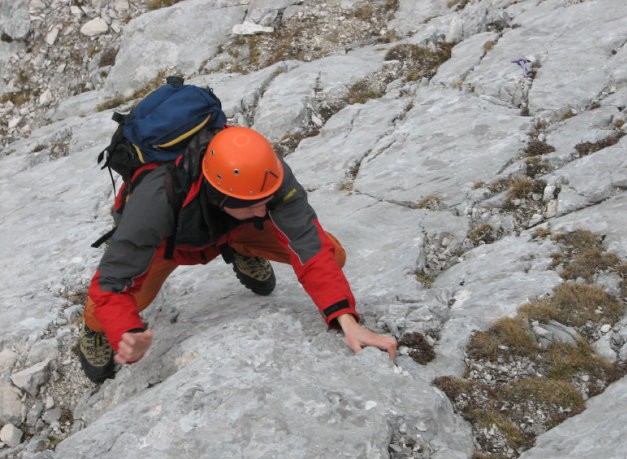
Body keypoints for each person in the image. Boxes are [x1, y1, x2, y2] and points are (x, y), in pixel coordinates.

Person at [79, 126, 397, 384]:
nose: (265, 211)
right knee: (117, 306)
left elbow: (310, 245)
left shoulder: (267, 175)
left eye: (267, 200)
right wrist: (127, 331)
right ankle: (93, 329)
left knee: (334, 253)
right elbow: (111, 282)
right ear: (219, 195)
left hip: (229, 227)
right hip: (170, 242)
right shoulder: (156, 200)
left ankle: (240, 246)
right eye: (254, 204)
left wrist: (346, 320)